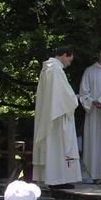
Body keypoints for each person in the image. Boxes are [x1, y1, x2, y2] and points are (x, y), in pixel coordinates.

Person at [33, 46, 82, 189]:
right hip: (58, 117)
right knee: (59, 147)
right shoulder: (55, 70)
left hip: (50, 115)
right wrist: (75, 98)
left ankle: (55, 178)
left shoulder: (47, 69)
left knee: (53, 147)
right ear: (65, 55)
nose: (69, 64)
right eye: (69, 60)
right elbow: (62, 96)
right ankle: (58, 179)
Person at [79, 45, 101, 183]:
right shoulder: (90, 71)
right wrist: (92, 102)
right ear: (98, 54)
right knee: (95, 143)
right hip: (95, 115)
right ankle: (95, 174)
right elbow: (83, 93)